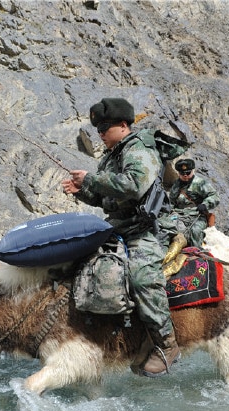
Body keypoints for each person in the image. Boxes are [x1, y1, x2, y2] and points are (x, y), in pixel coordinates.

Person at [61, 97, 180, 377]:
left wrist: (90, 179)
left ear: (124, 125)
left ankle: (167, 343)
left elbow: (134, 186)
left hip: (149, 228)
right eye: (98, 128)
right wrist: (82, 191)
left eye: (105, 127)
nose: (100, 133)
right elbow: (107, 199)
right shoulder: (111, 156)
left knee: (141, 276)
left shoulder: (138, 148)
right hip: (119, 225)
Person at [157, 158, 220, 248]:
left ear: (193, 171)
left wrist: (205, 204)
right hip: (179, 214)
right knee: (165, 225)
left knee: (196, 231)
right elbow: (171, 202)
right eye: (182, 174)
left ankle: (196, 252)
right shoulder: (176, 185)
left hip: (196, 215)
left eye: (188, 173)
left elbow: (214, 196)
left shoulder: (200, 183)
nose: (185, 175)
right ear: (178, 173)